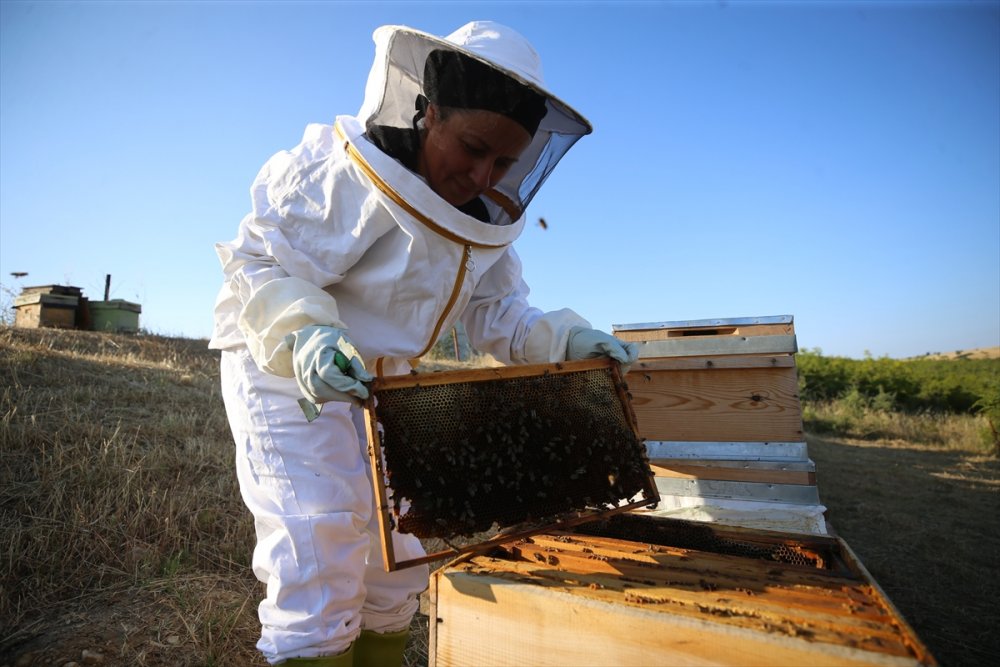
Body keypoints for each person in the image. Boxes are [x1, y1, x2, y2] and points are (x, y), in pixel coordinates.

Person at [209, 20, 638, 667]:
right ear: (429, 112)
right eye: (471, 147)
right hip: (286, 373)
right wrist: (304, 335)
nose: (481, 173)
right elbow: (263, 265)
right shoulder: (337, 175)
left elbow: (503, 316)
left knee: (398, 556)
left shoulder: (484, 225)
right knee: (320, 542)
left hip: (387, 384)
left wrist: (566, 338)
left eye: (503, 163)